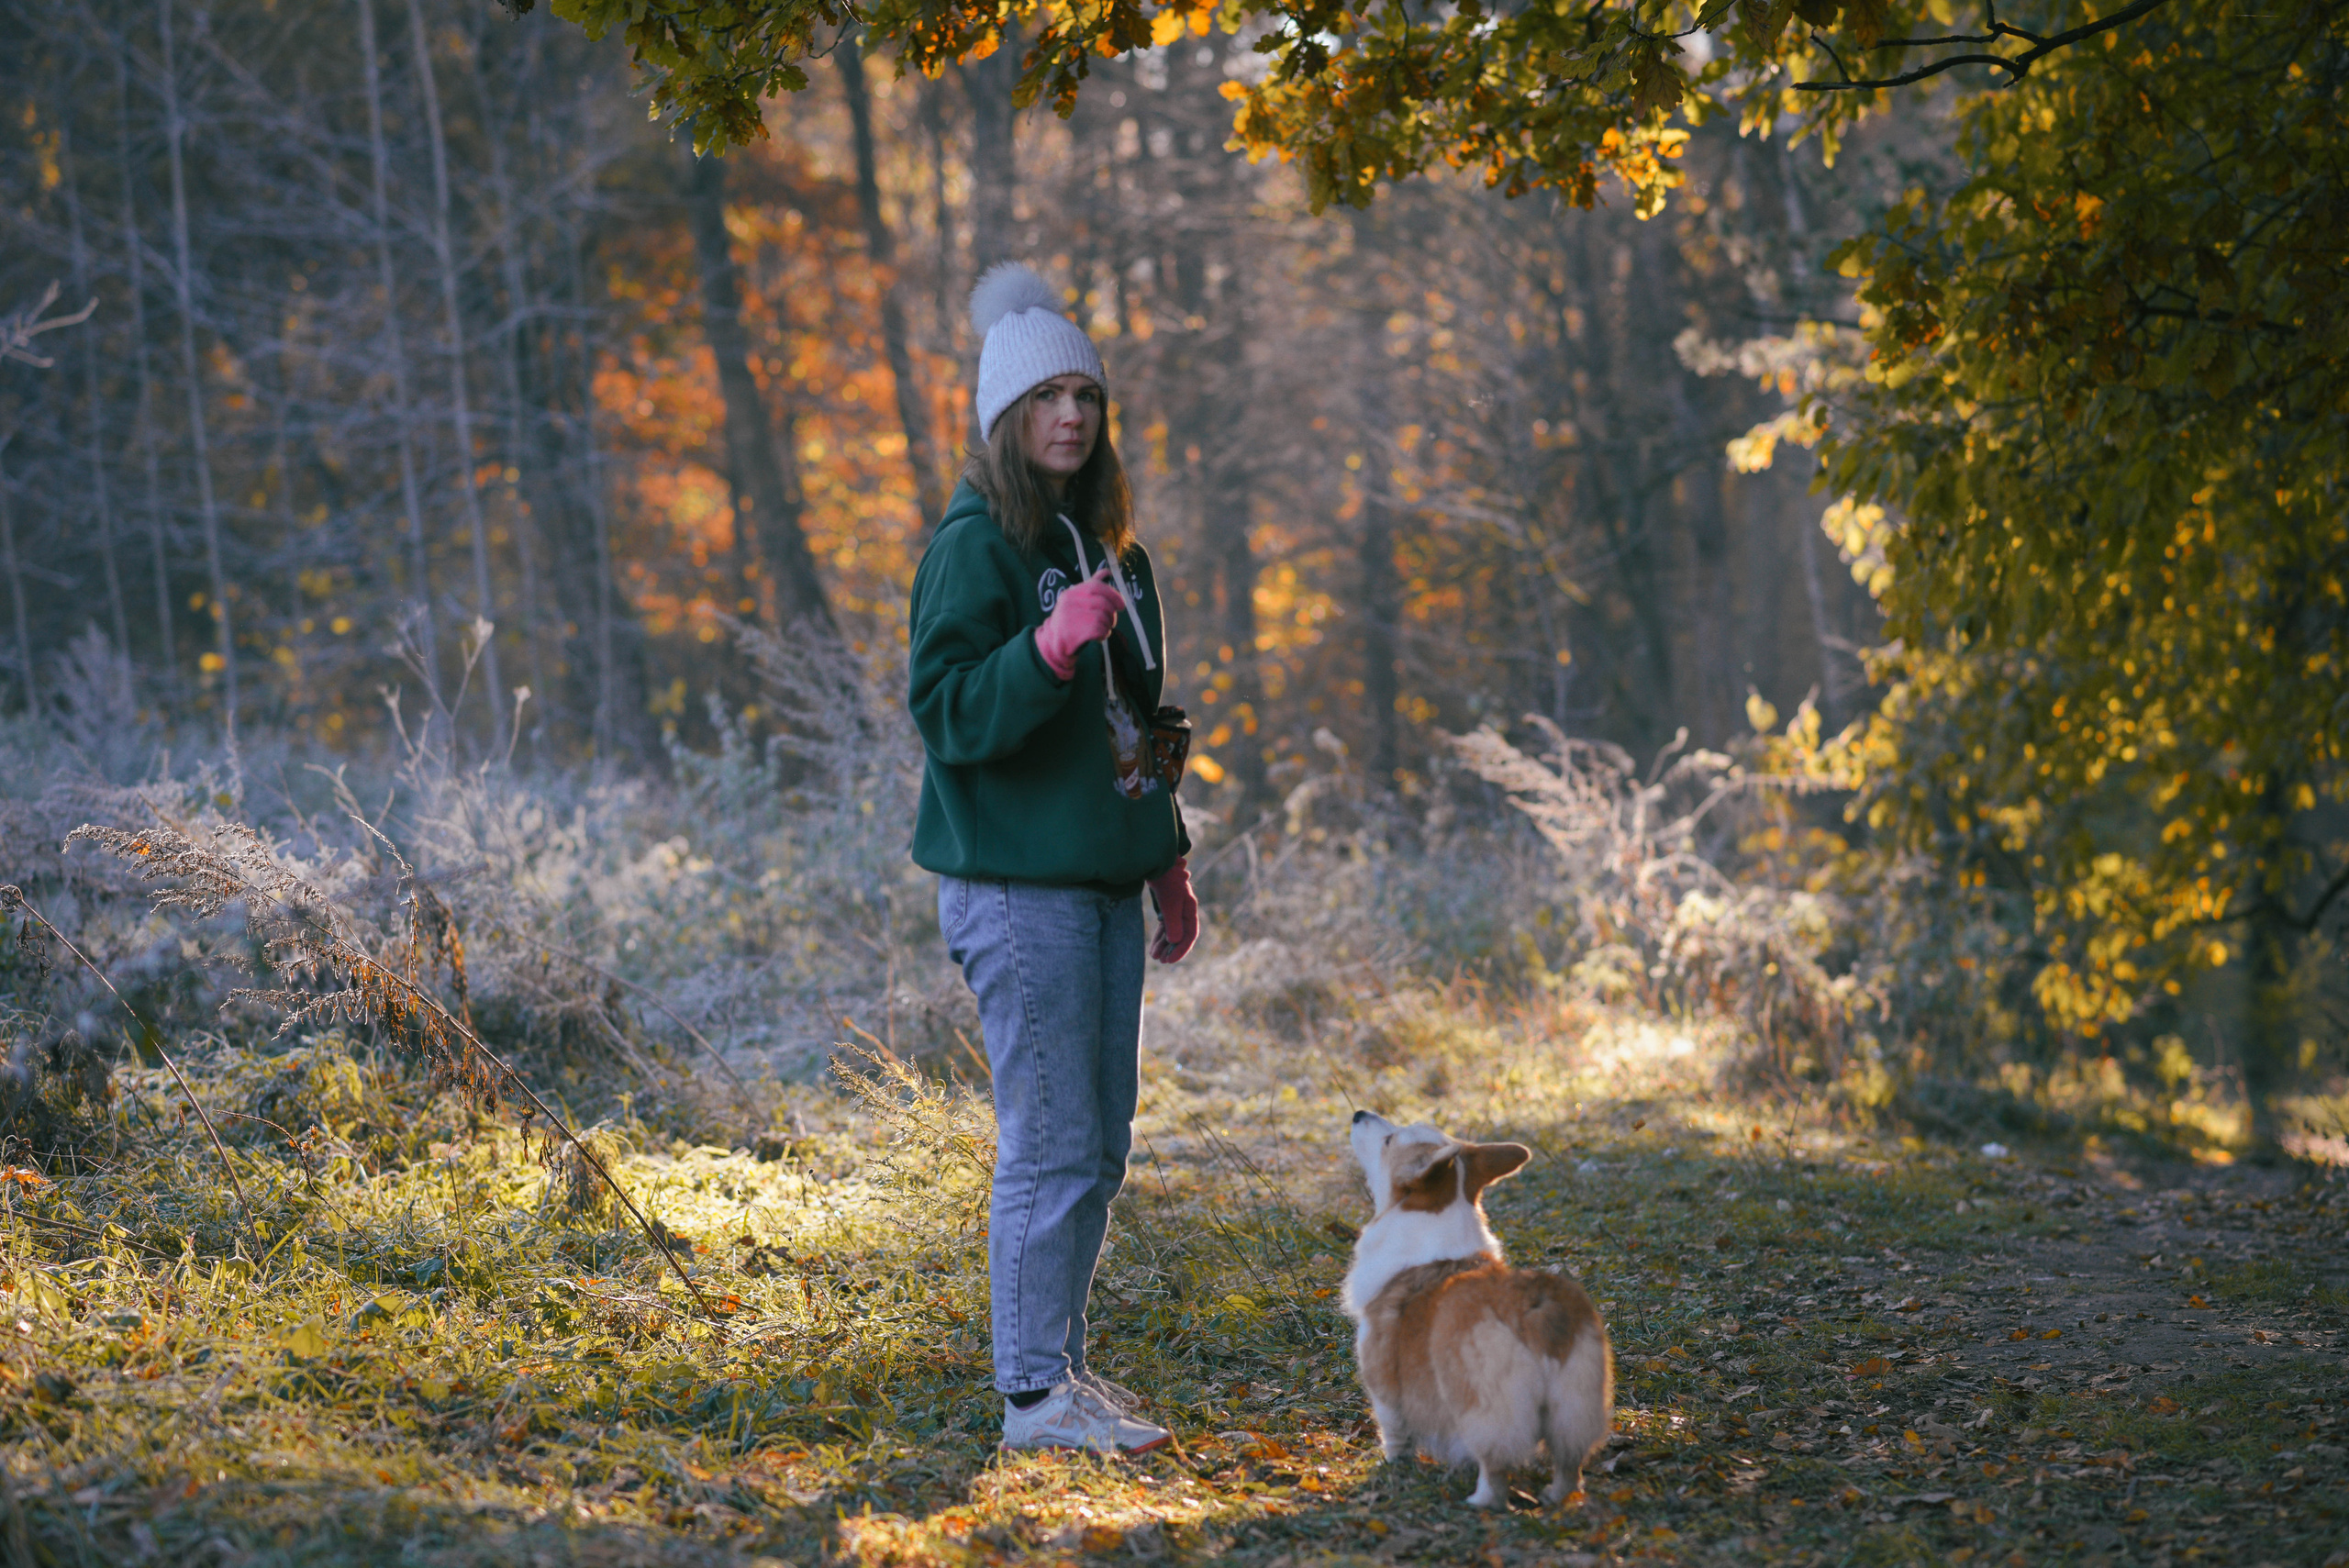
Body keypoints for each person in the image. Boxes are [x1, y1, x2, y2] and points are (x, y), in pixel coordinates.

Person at [907, 262, 1199, 1454]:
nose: (1071, 415)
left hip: (1103, 877)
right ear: (1005, 420)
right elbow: (947, 712)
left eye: (1086, 394)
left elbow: (1140, 720)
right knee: (1053, 1138)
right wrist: (1043, 649)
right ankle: (1033, 1392)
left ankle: (1062, 1371)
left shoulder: (1115, 548)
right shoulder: (975, 545)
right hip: (1015, 885)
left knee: (1105, 1136)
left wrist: (1167, 854)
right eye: (1046, 399)